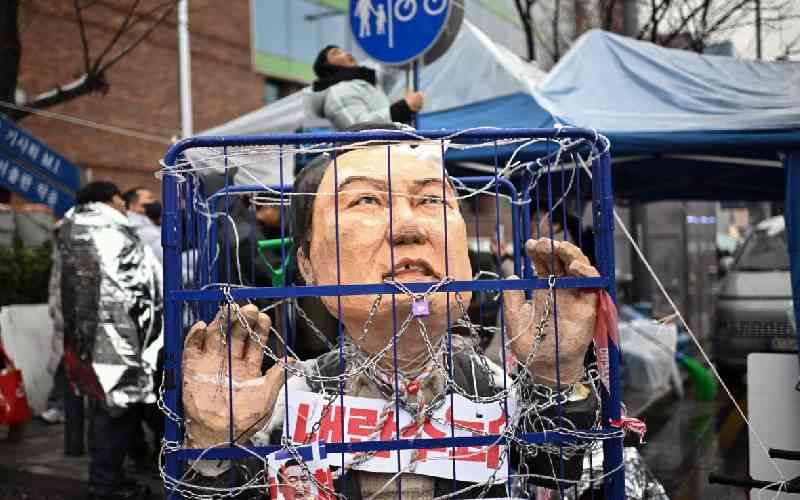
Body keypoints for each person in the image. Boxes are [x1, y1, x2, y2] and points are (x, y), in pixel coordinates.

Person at [181, 141, 602, 498]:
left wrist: (556, 382)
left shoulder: (506, 395)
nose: (407, 227)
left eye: (432, 201)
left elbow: (562, 484)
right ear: (308, 265)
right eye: (366, 200)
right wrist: (215, 447)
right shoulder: (276, 407)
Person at [59, 181, 163, 500]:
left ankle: (108, 479)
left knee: (105, 414)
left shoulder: (74, 229)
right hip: (120, 343)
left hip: (87, 341)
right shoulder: (111, 229)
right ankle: (105, 484)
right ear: (110, 199)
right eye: (120, 198)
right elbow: (137, 287)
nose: (123, 205)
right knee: (115, 418)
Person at [306, 45, 425, 130]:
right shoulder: (338, 91)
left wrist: (397, 46)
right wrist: (403, 108)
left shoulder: (365, 83)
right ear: (326, 66)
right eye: (336, 53)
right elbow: (357, 128)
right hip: (372, 160)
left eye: (344, 50)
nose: (346, 53)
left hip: (384, 155)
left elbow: (390, 71)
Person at [123, 186, 162, 263]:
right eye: (150, 198)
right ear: (133, 205)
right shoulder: (136, 228)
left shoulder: (147, 223)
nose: (155, 201)